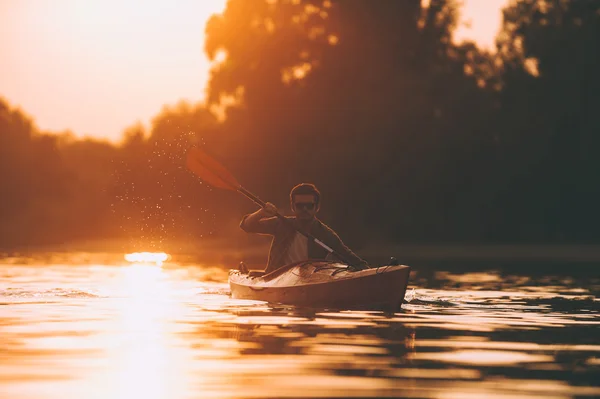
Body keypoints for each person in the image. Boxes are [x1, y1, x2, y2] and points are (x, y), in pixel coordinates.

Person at [240, 183, 369, 273]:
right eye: (300, 205)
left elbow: (355, 262)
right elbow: (246, 225)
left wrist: (370, 273)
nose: (304, 209)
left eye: (309, 205)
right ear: (293, 207)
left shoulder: (326, 234)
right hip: (277, 278)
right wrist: (261, 213)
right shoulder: (281, 224)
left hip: (310, 279)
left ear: (317, 207)